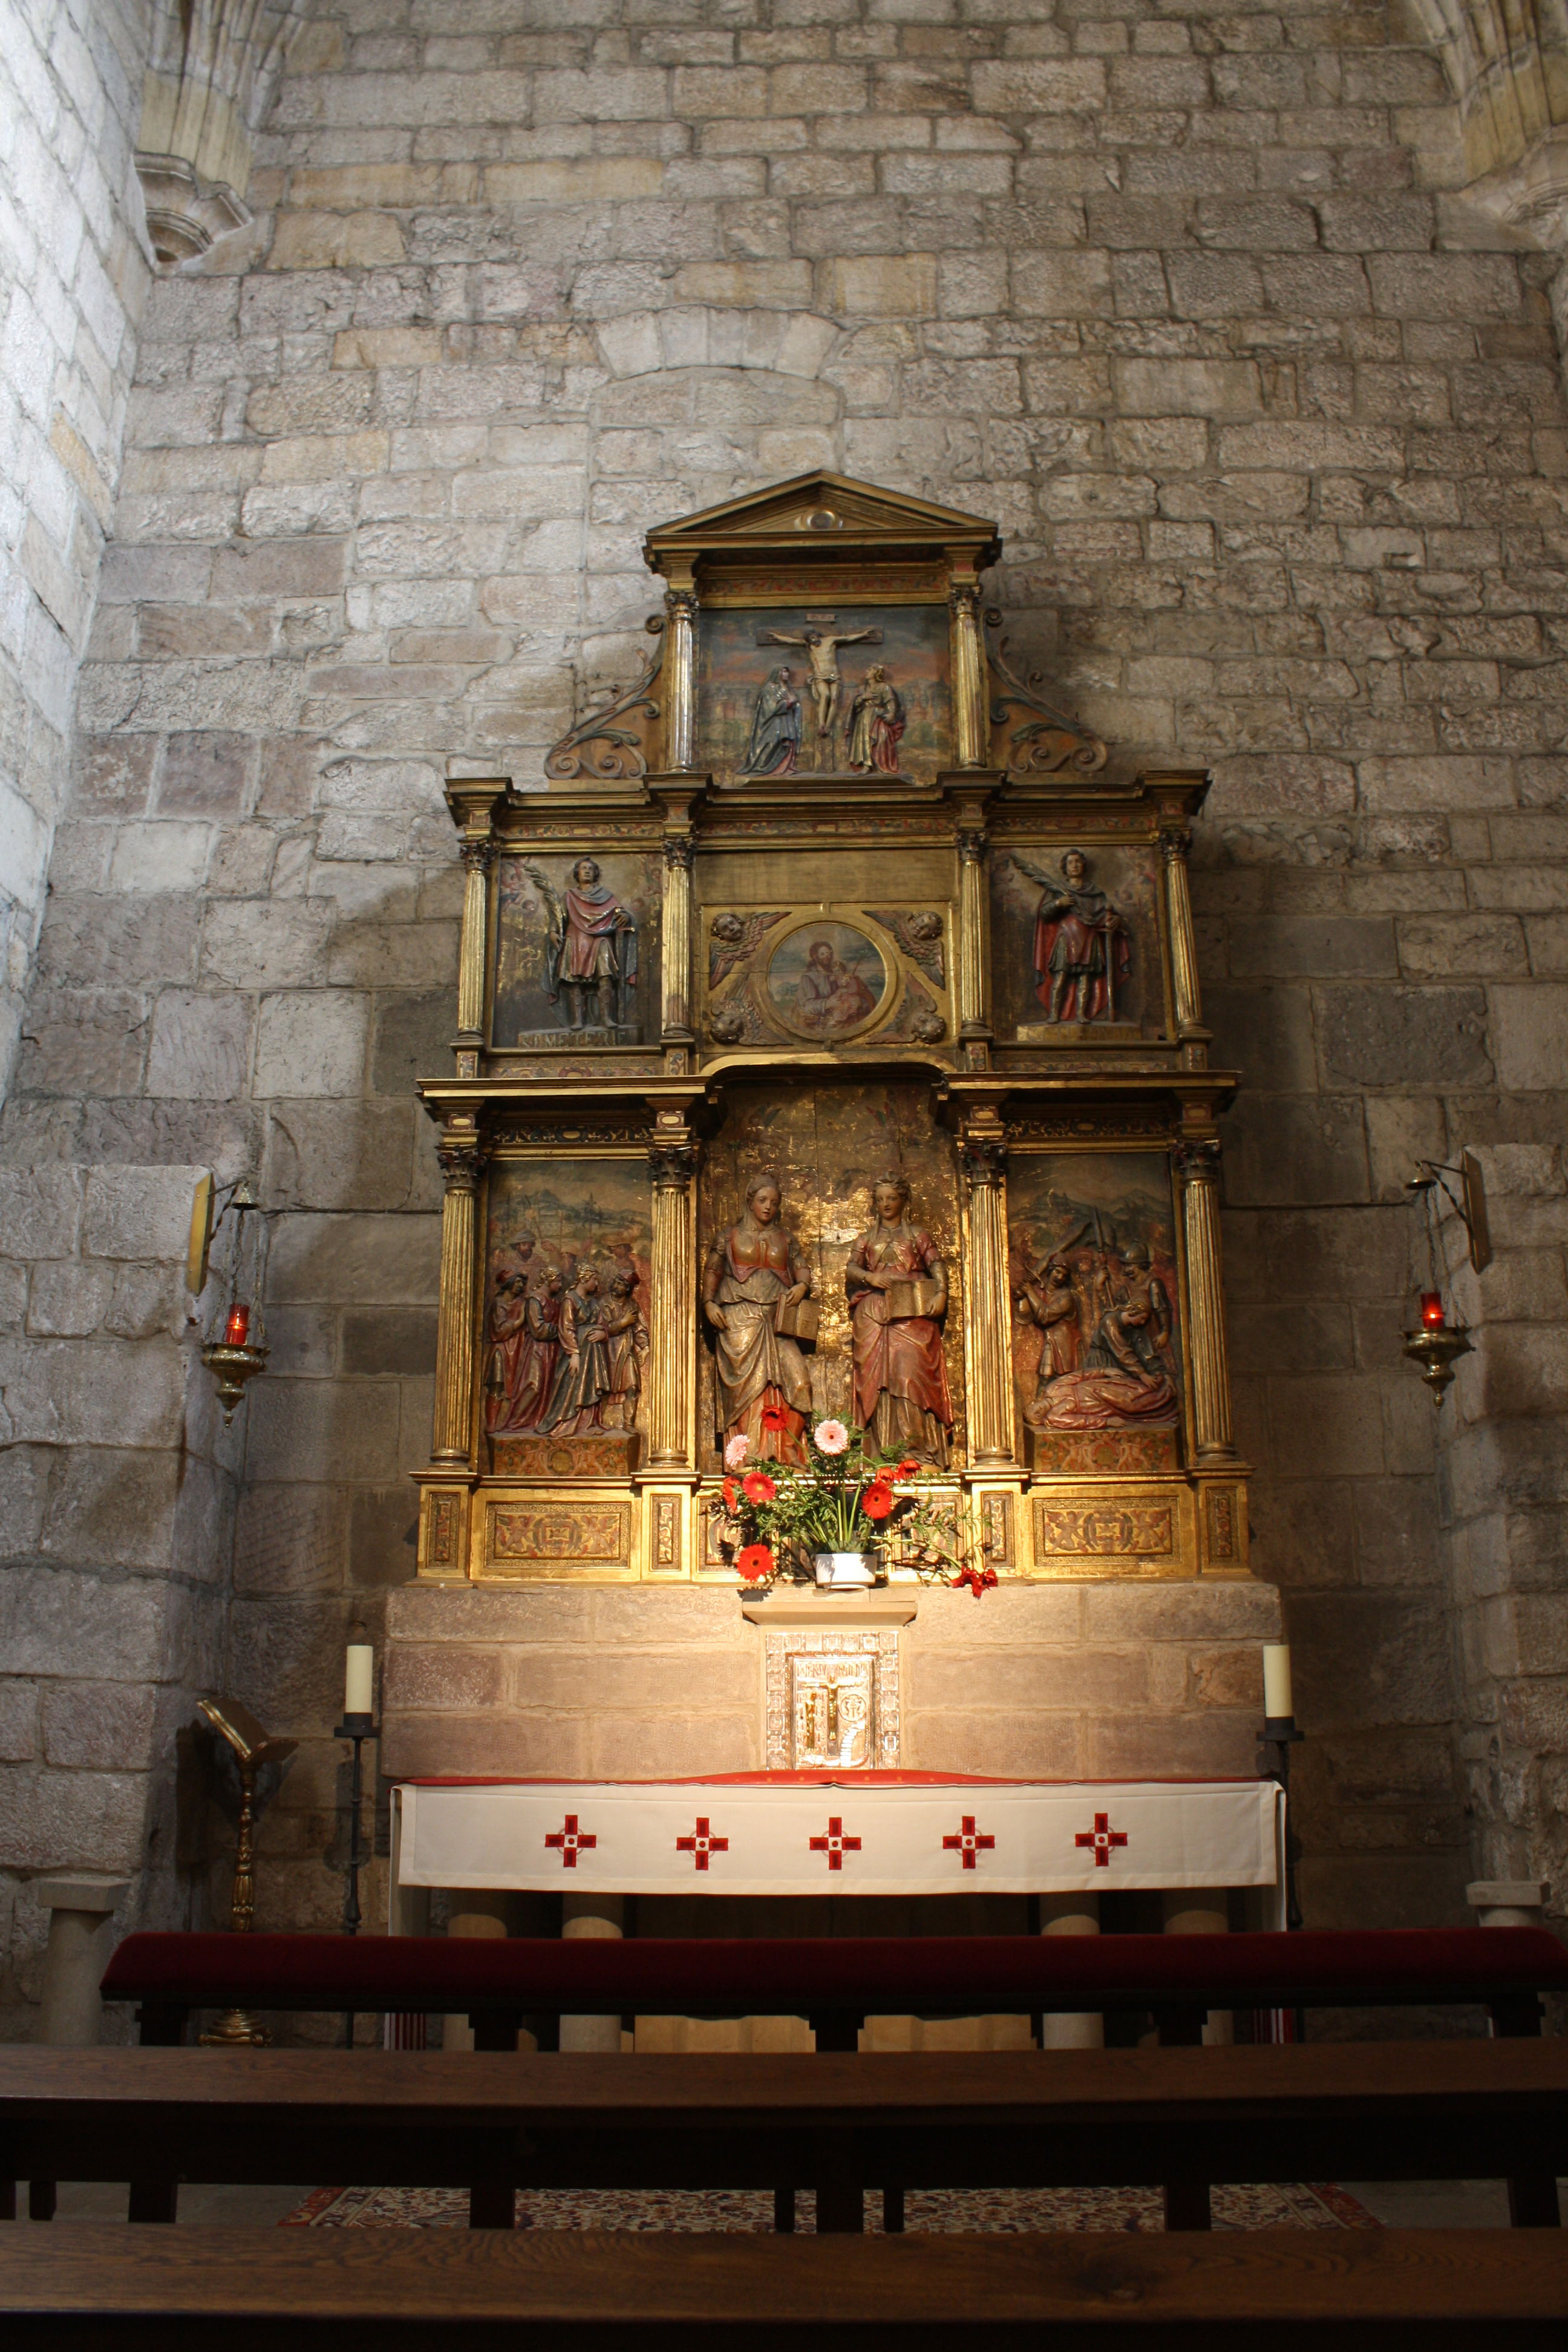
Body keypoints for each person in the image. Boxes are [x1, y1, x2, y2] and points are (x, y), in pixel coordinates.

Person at [702, 1169, 814, 1464]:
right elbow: (713, 1269)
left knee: (799, 1382)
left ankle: (789, 1450)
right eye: (763, 1200)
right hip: (739, 1315)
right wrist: (709, 1303)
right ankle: (747, 1454)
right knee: (747, 1388)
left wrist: (802, 1285)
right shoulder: (729, 1235)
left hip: (778, 1316)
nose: (768, 1207)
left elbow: (802, 1268)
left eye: (774, 1203)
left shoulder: (786, 1238)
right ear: (750, 1202)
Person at [846, 1172, 952, 1467]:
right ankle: (882, 1454)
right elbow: (851, 1270)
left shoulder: (918, 1234)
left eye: (891, 1198)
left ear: (903, 1200)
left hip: (913, 1314)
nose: (886, 1204)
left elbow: (936, 1264)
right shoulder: (866, 1239)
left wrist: (941, 1292)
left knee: (908, 1376)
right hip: (875, 1315)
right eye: (880, 1200)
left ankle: (916, 1450)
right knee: (877, 1382)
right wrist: (871, 1277)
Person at [1014, 847, 1131, 1024]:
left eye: (1077, 862)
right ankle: (1054, 1013)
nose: (1074, 866)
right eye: (1070, 862)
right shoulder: (1059, 891)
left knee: (1086, 979)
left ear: (1083, 865)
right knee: (1061, 978)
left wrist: (1115, 921)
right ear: (1065, 867)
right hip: (1067, 937)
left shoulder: (1095, 893)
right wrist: (1059, 904)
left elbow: (1106, 915)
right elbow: (1045, 914)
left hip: (1089, 937)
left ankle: (1082, 1014)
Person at [529, 855, 638, 1030]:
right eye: (583, 868)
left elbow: (620, 914)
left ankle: (606, 1017)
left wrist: (625, 917)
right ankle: (578, 1019)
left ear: (595, 873)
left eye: (590, 869)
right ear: (577, 873)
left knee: (606, 977)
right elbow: (559, 919)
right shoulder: (570, 897)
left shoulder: (607, 897)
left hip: (601, 940)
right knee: (575, 980)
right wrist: (553, 932)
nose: (587, 871)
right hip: (576, 939)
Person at [756, 622, 880, 766]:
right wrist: (777, 637)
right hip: (820, 676)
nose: (814, 641)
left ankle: (828, 725)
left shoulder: (830, 640)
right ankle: (821, 723)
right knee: (825, 697)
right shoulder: (810, 647)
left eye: (814, 638)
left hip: (834, 675)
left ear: (818, 635)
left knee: (834, 699)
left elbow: (848, 638)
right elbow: (792, 641)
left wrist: (864, 635)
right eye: (811, 640)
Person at [539, 1266, 613, 1436]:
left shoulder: (593, 1303)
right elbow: (566, 1328)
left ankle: (588, 1423)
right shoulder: (570, 1300)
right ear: (585, 1279)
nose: (596, 1284)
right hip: (577, 1352)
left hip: (593, 1354)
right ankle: (568, 1423)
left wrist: (603, 1333)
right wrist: (574, 1353)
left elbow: (603, 1324)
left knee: (591, 1384)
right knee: (572, 1385)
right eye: (594, 1280)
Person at [793, 937, 876, 1034]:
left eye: (828, 953)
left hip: (846, 1020)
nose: (827, 956)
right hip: (822, 1025)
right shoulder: (809, 977)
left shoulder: (838, 972)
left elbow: (865, 994)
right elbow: (806, 1006)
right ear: (815, 957)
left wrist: (861, 1002)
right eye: (823, 954)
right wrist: (827, 1004)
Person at [598, 1269, 647, 1432]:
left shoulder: (632, 1305)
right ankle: (599, 1420)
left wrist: (645, 1347)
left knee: (632, 1386)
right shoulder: (603, 1302)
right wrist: (623, 1322)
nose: (618, 1286)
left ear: (627, 1288)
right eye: (617, 1282)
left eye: (622, 1284)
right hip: (607, 1350)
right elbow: (603, 1328)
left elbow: (640, 1328)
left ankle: (629, 1423)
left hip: (626, 1350)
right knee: (603, 1387)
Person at [741, 666, 803, 774]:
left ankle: (787, 767)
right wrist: (788, 703)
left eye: (787, 671)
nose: (787, 674)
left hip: (787, 721)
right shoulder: (770, 688)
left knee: (790, 742)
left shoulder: (788, 688)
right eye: (784, 671)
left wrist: (794, 704)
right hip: (774, 723)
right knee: (773, 743)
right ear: (777, 673)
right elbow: (771, 707)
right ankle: (770, 767)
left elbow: (794, 703)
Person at [846, 664, 904, 773]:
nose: (867, 671)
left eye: (870, 670)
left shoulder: (884, 687)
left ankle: (880, 763)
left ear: (876, 673)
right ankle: (866, 764)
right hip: (863, 717)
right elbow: (854, 704)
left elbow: (890, 702)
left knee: (880, 739)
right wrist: (863, 697)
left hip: (878, 717)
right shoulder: (862, 689)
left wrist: (891, 714)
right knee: (864, 739)